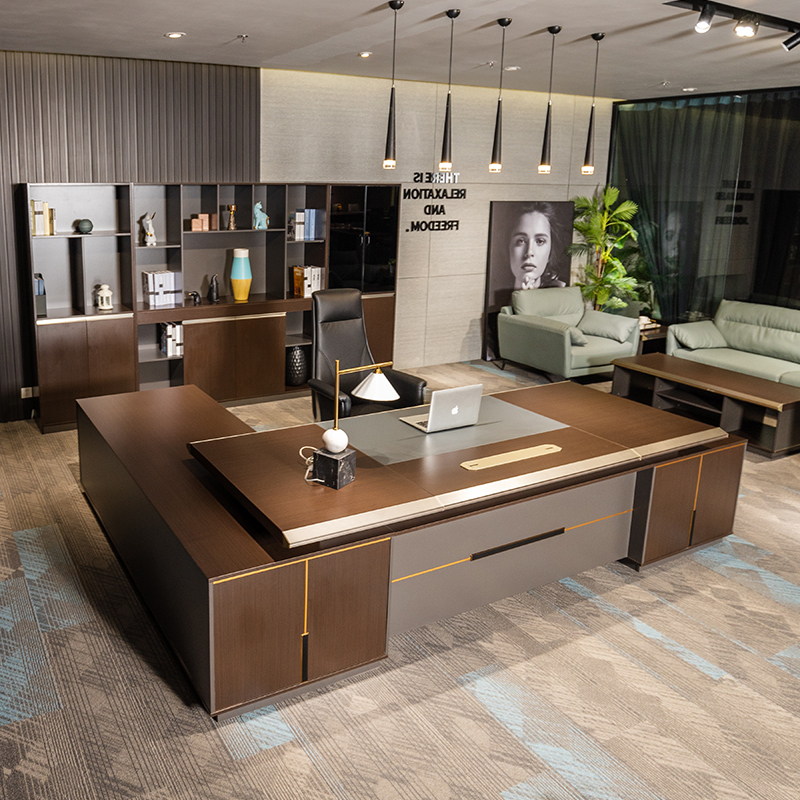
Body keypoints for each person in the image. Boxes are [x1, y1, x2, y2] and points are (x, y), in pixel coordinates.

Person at [506, 201, 567, 290]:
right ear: (508, 247)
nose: (529, 252)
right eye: (521, 241)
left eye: (540, 241)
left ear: (551, 251)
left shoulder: (562, 294)